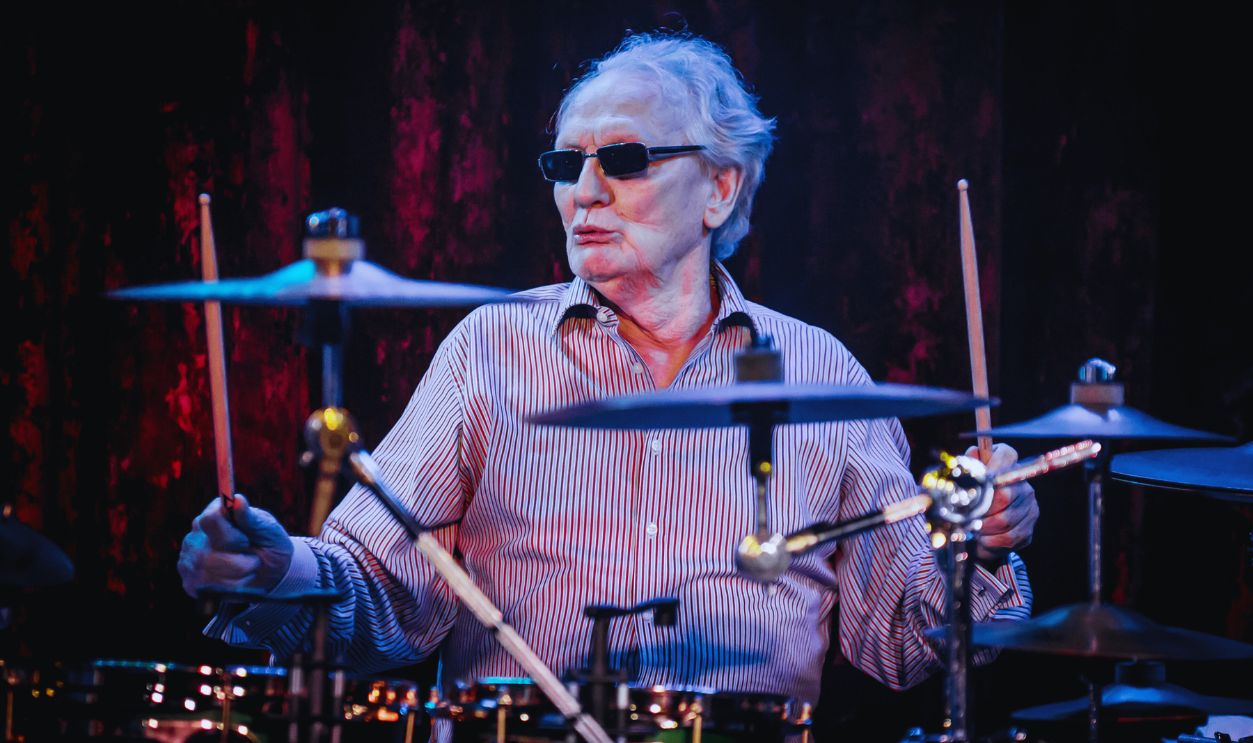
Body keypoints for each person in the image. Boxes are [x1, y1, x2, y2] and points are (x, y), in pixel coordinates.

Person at [178, 30, 1038, 735]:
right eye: (565, 164)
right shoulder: (490, 349)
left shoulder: (822, 374)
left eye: (624, 159)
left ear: (719, 188)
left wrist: (982, 544)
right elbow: (384, 593)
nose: (584, 192)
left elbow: (900, 641)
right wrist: (274, 568)